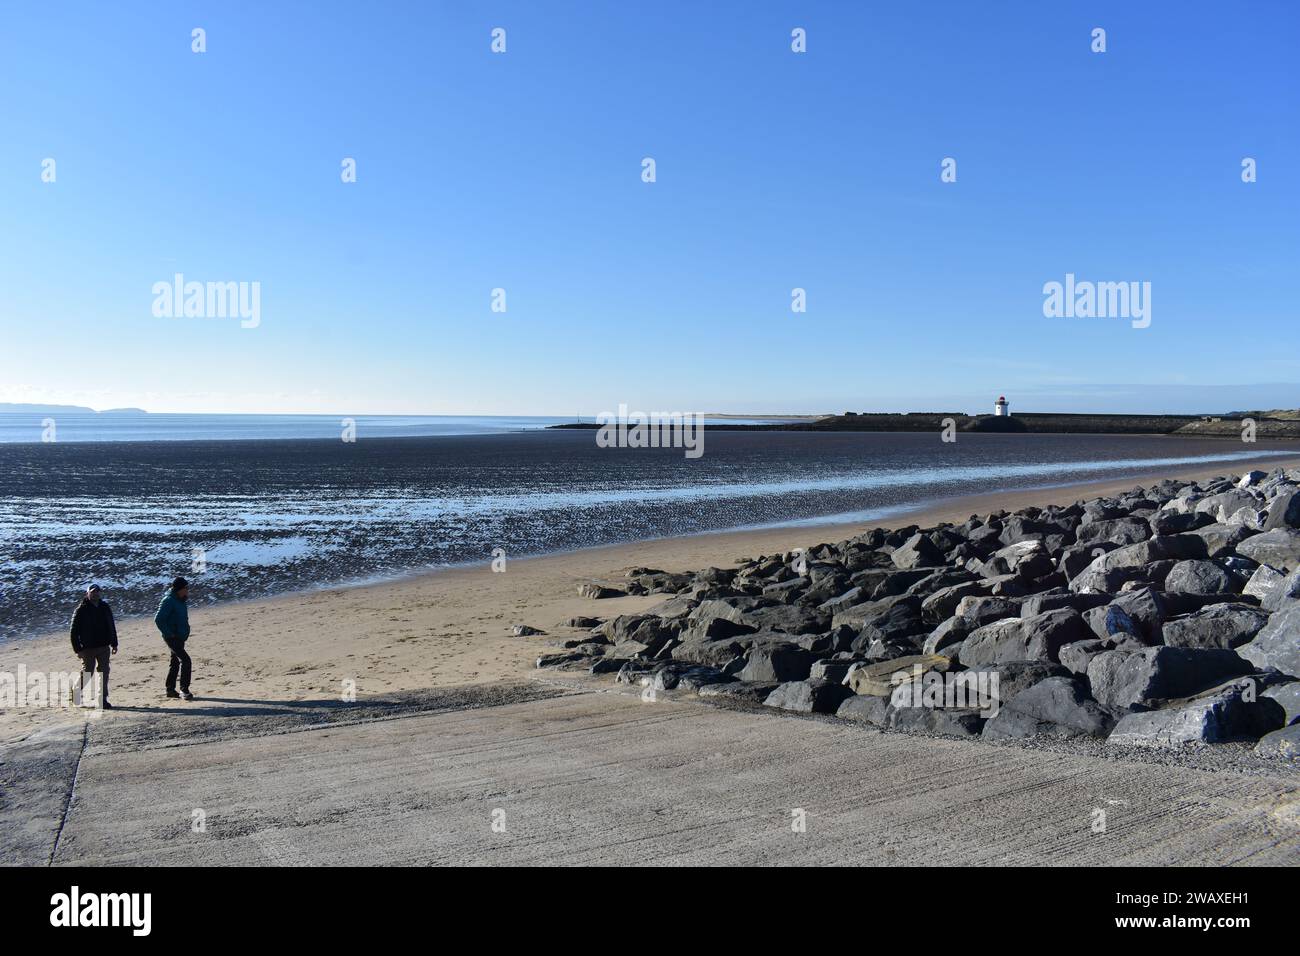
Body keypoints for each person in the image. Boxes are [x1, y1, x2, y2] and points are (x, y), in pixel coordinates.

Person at [70, 584, 117, 709]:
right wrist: (77, 649)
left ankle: (103, 699)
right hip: (87, 648)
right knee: (87, 672)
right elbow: (73, 631)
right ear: (87, 594)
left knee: (104, 672)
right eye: (93, 592)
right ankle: (75, 693)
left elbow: (111, 625)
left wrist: (114, 643)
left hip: (103, 646)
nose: (95, 594)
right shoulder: (81, 609)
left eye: (97, 592)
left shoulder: (105, 607)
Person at [154, 576, 194, 700]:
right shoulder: (168, 600)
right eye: (186, 588)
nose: (188, 590)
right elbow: (158, 619)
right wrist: (169, 634)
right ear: (179, 589)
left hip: (180, 637)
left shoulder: (181, 600)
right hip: (172, 637)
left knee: (175, 662)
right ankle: (184, 690)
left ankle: (170, 690)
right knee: (186, 660)